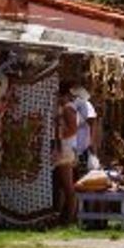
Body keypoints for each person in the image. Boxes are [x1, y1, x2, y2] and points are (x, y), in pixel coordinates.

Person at [53, 90, 79, 225]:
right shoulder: (68, 107)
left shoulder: (68, 108)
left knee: (68, 186)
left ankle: (70, 217)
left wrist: (60, 135)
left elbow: (73, 129)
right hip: (66, 148)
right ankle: (65, 215)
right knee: (63, 185)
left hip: (66, 149)